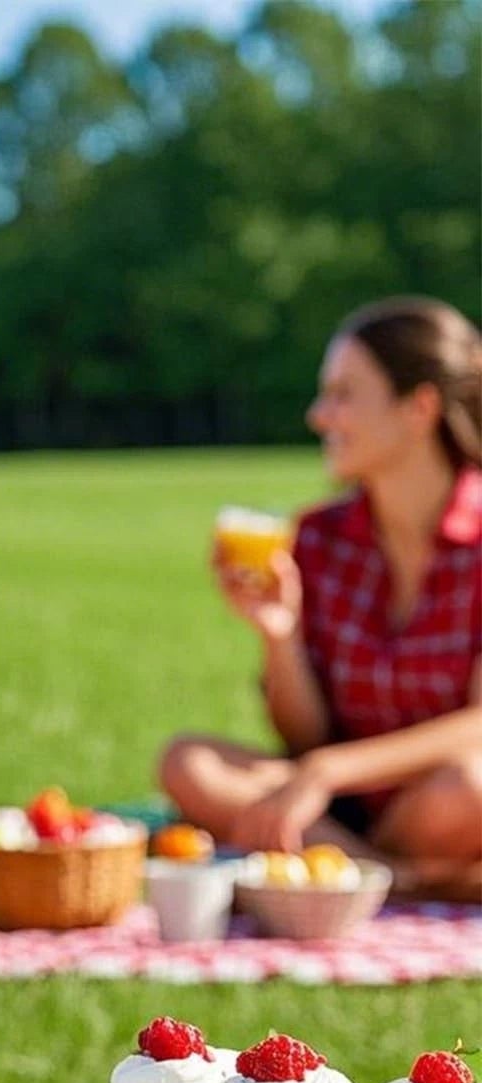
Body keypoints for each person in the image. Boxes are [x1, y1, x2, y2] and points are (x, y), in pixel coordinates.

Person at [161, 297, 482, 899]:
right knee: (187, 761)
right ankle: (400, 879)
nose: (318, 415)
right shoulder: (316, 537)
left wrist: (330, 770)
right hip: (339, 810)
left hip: (442, 799)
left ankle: (350, 868)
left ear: (419, 408)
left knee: (473, 786)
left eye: (342, 395)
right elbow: (305, 739)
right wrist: (279, 635)